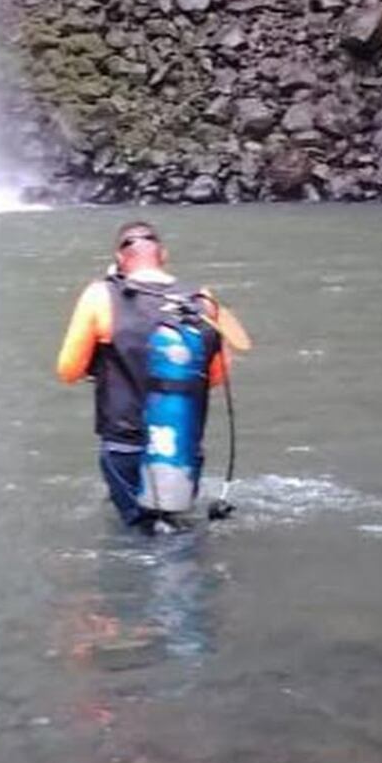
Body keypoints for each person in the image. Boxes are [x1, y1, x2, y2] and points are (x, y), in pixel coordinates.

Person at [55, 221, 239, 534]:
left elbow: (68, 370)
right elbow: (218, 375)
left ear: (119, 258)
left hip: (125, 440)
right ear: (163, 255)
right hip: (182, 441)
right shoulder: (202, 299)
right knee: (174, 523)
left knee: (140, 533)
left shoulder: (100, 296)